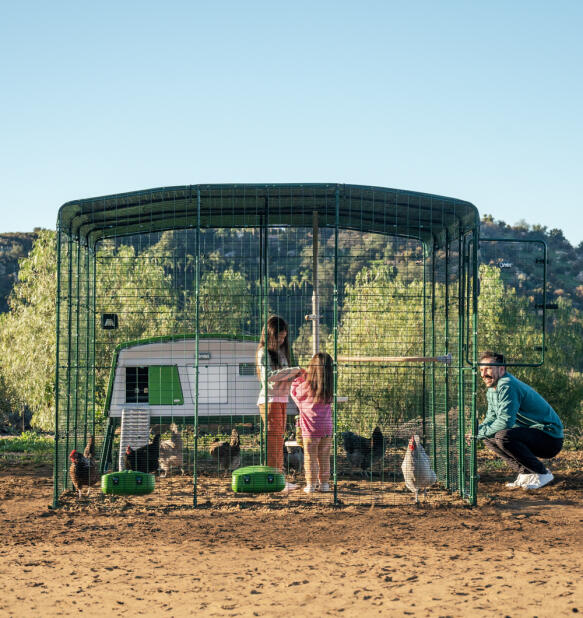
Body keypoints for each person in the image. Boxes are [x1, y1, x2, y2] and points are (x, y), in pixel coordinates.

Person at [474, 350, 563, 490]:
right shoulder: (492, 389)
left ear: (501, 369)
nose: (483, 374)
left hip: (550, 438)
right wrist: (477, 432)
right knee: (488, 437)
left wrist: (478, 434)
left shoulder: (507, 385)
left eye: (488, 369)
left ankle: (542, 473)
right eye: (481, 370)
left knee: (503, 437)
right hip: (532, 434)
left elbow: (505, 422)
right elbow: (491, 417)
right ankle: (526, 473)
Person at [256, 316, 301, 492]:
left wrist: (295, 375)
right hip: (270, 400)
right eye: (279, 337)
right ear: (269, 335)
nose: (282, 341)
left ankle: (278, 478)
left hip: (281, 399)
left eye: (284, 338)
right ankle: (273, 480)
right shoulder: (263, 353)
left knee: (278, 439)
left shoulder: (281, 352)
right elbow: (269, 375)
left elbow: (283, 375)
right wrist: (291, 371)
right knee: (273, 440)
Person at [290, 352, 334, 494]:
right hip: (326, 428)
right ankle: (325, 484)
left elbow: (294, 393)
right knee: (324, 456)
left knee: (310, 457)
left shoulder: (306, 386)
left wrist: (299, 378)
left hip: (311, 429)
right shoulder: (329, 388)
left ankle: (311, 484)